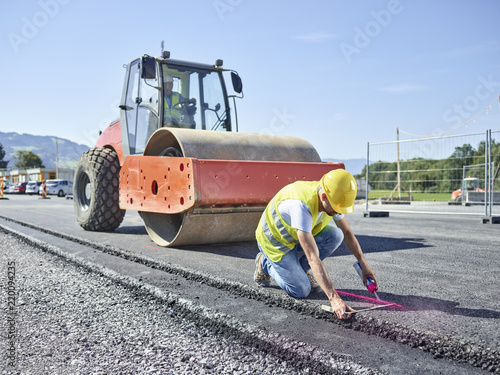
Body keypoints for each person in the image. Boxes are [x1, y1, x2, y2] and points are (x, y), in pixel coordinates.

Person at [254, 169, 378, 319]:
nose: (338, 212)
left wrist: (363, 263)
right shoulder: (300, 205)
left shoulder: (332, 197)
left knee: (336, 235)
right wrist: (334, 299)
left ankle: (300, 270)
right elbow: (313, 257)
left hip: (297, 235)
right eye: (337, 208)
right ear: (324, 196)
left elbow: (347, 233)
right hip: (276, 242)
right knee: (301, 290)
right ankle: (265, 264)